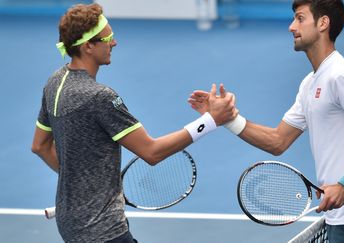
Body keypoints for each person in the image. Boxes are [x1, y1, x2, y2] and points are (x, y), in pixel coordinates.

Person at [188, 0, 344, 242]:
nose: (291, 27)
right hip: (342, 216)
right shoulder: (310, 83)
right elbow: (278, 140)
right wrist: (227, 119)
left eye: (300, 18)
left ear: (323, 23)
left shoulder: (341, 75)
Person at [31, 3, 237, 243]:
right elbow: (152, 152)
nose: (114, 43)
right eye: (108, 38)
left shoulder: (55, 81)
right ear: (88, 46)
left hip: (70, 222)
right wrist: (211, 120)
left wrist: (84, 182)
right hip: (103, 230)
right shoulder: (100, 96)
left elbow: (40, 146)